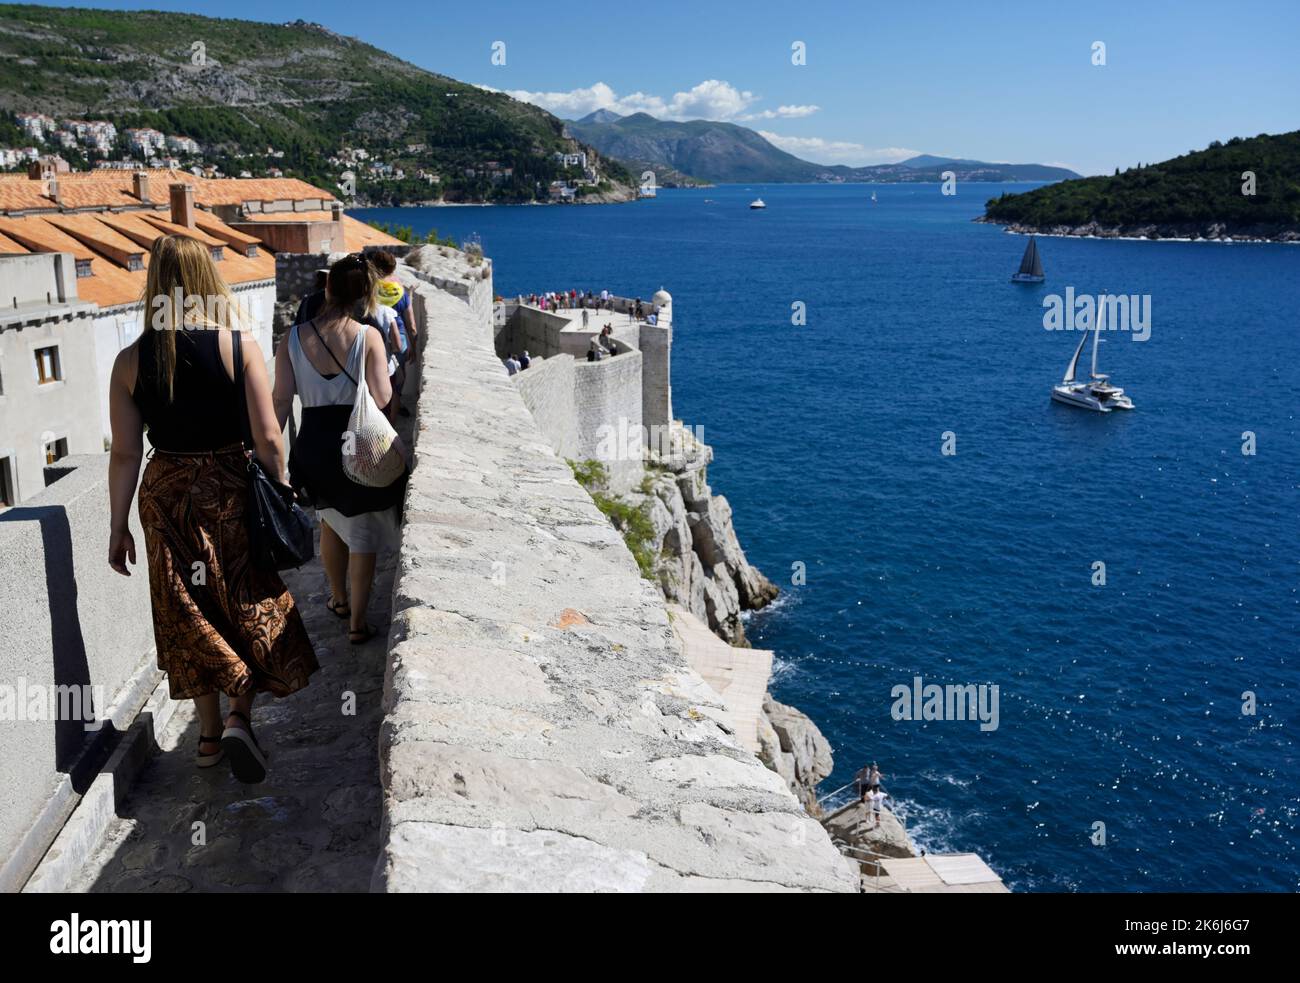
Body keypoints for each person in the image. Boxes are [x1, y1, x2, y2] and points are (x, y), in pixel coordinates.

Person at [108, 234, 317, 785]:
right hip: (229, 488)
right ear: (207, 280)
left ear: (155, 285)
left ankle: (205, 738)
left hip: (166, 494)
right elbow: (269, 434)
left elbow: (126, 452)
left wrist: (117, 526)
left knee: (186, 613)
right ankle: (238, 717)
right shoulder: (237, 344)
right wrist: (283, 488)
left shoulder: (129, 362)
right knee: (242, 597)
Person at [274, 253, 406, 646]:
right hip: (357, 441)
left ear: (327, 288)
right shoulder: (368, 337)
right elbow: (382, 397)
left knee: (330, 519)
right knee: (363, 528)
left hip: (313, 444)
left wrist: (268, 456)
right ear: (366, 293)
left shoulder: (292, 339)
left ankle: (339, 599)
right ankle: (358, 623)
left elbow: (281, 401)